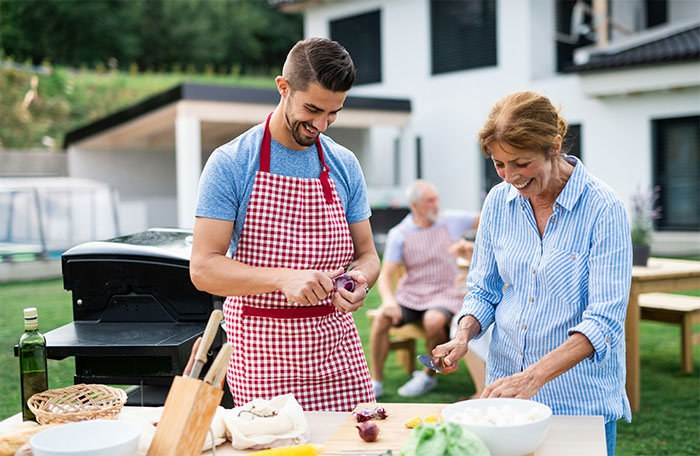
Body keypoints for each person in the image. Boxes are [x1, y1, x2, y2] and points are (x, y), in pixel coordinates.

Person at [434, 91, 631, 456]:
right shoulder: (497, 202)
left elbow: (604, 322)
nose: (510, 177)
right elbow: (484, 289)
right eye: (499, 165)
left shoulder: (604, 209)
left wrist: (533, 377)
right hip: (507, 404)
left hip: (578, 401)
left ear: (554, 147)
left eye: (521, 163)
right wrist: (463, 336)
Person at [190, 38, 380, 412]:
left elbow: (368, 255)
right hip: (263, 356)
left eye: (334, 113)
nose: (321, 125)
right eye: (312, 109)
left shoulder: (344, 164)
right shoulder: (231, 163)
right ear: (283, 87)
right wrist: (282, 278)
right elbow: (203, 268)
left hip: (337, 354)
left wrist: (361, 281)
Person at [369, 180, 481, 398]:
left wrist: (470, 246)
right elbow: (387, 274)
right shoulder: (399, 233)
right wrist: (389, 301)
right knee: (382, 316)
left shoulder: (451, 220)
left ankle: (428, 376)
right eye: (430, 201)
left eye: (436, 199)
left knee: (433, 321)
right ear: (414, 205)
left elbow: (488, 219)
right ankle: (376, 381)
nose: (435, 204)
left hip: (445, 293)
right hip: (411, 294)